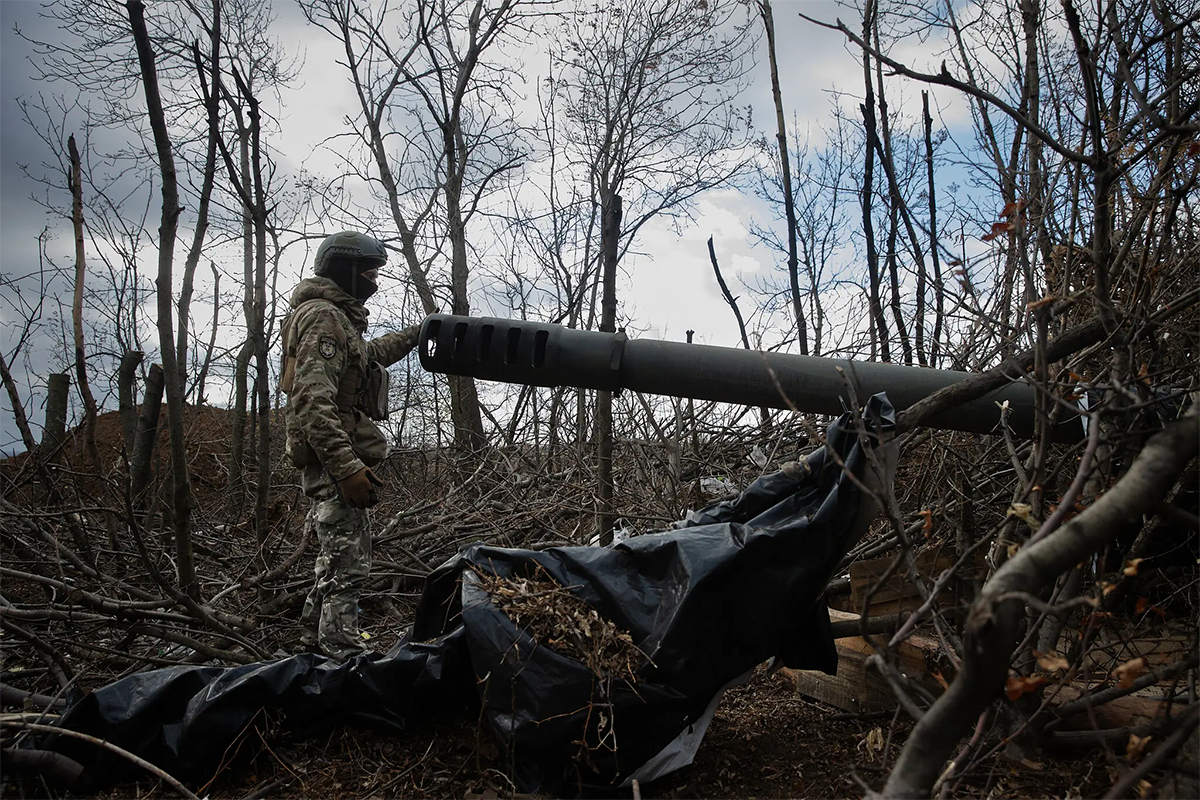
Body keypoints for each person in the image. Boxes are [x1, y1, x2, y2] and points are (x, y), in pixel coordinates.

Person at [281, 230, 421, 661]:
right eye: (368, 270)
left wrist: (417, 334)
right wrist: (346, 468)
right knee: (349, 564)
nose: (374, 278)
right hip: (333, 459)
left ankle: (310, 638)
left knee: (333, 557)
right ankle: (340, 655)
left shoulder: (335, 319)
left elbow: (366, 355)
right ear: (344, 268)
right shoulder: (324, 317)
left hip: (334, 457)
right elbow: (311, 399)